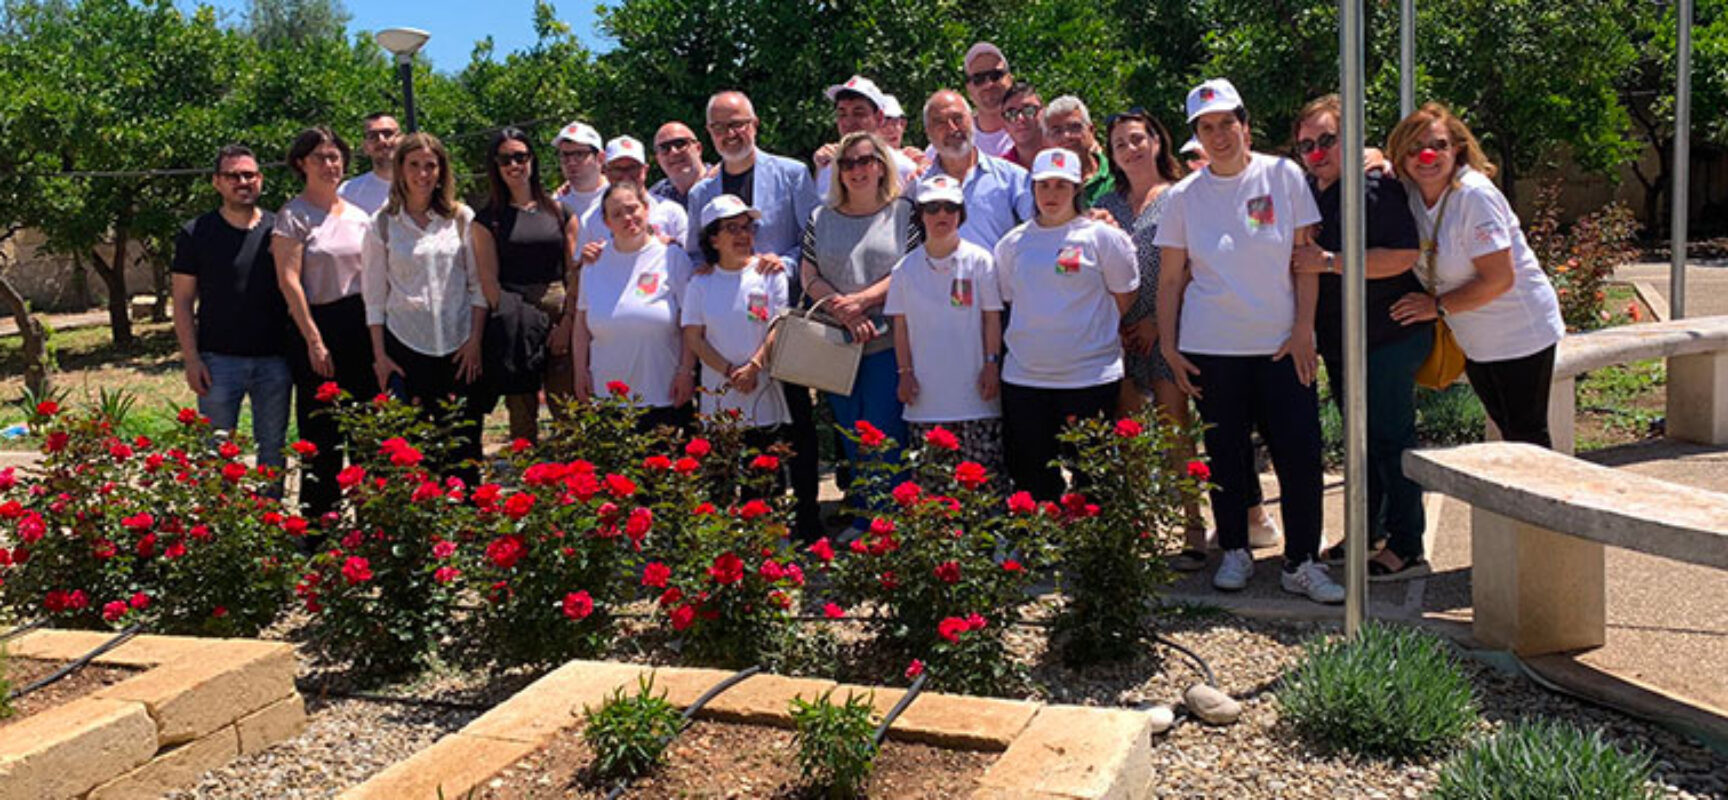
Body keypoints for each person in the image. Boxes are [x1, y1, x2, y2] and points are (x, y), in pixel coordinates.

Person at [1154, 78, 1343, 605]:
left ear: (1244, 124)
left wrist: (1304, 327)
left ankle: (1301, 561)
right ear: (1196, 135)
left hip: (1282, 345)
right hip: (1212, 347)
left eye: (1226, 124)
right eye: (1206, 127)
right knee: (1226, 456)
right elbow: (1171, 279)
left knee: (1300, 453)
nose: (1219, 136)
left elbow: (1305, 261)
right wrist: (1170, 347)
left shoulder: (1283, 176)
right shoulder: (1184, 198)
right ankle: (1234, 548)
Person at [1288, 95, 1432, 580]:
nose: (1317, 152)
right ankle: (1368, 530)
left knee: (1391, 440)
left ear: (1350, 137)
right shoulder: (1315, 189)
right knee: (1361, 442)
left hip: (1387, 336)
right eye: (1306, 145)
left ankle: (1408, 546)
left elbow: (1402, 254)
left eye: (1327, 140)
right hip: (1347, 342)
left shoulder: (1372, 186)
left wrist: (1328, 262)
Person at [686, 90, 823, 540]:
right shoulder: (703, 189)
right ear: (709, 134)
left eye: (738, 123)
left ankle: (806, 518)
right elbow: (694, 250)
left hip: (780, 315)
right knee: (739, 435)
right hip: (728, 318)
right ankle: (746, 522)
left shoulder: (790, 172)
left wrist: (779, 265)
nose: (731, 133)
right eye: (721, 127)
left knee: (796, 424)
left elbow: (809, 237)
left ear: (756, 123)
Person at [1387, 102, 1565, 448]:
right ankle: (1516, 500)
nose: (1427, 155)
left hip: (1519, 332)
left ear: (1457, 149)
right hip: (1475, 337)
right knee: (1509, 432)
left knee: (1527, 437)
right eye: (1414, 147)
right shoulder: (1411, 192)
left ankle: (1544, 502)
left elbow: (1499, 279)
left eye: (1438, 145)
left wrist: (1435, 306)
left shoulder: (1473, 195)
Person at [1092, 109, 1217, 569]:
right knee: (1127, 438)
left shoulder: (1181, 196)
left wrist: (1158, 326)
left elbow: (1187, 267)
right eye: (1121, 143)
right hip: (1120, 332)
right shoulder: (1107, 202)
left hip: (1170, 328)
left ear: (1157, 142)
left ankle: (1192, 527)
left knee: (1174, 432)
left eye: (1138, 139)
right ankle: (1137, 526)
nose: (1130, 149)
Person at [994, 148, 1138, 501]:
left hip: (1088, 377)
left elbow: (1124, 297)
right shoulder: (1012, 244)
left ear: (1077, 188)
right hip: (1026, 378)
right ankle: (1043, 551)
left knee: (1092, 476)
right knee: (1034, 475)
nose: (1052, 194)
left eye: (1062, 185)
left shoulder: (1103, 237)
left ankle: (1093, 554)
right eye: (1044, 185)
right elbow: (1011, 298)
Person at [361, 131, 487, 480]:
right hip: (405, 346)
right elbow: (373, 298)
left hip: (459, 346)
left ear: (442, 170)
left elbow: (477, 286)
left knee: (464, 446)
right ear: (400, 169)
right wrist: (380, 356)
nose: (422, 174)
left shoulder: (461, 218)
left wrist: (475, 341)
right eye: (414, 165)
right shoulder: (382, 224)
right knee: (414, 450)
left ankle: (468, 527)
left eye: (430, 165)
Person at [800, 131, 917, 502]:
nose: (856, 170)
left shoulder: (904, 213)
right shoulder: (821, 217)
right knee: (852, 433)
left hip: (887, 341)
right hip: (836, 343)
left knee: (887, 431)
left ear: (881, 166)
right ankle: (866, 518)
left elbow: (908, 269)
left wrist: (862, 301)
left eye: (865, 160)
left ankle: (893, 519)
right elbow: (808, 275)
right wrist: (844, 309)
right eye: (847, 164)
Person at [272, 126, 375, 525]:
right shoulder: (293, 216)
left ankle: (371, 529)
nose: (330, 165)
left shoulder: (359, 215)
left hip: (360, 327)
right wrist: (314, 340)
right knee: (323, 437)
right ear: (302, 164)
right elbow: (288, 279)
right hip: (317, 327)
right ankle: (322, 532)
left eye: (335, 157)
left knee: (366, 433)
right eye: (320, 158)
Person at [172, 144, 291, 477]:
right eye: (233, 175)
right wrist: (192, 359)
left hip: (275, 361)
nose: (243, 181)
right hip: (218, 362)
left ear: (260, 179)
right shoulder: (196, 233)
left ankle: (270, 521)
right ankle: (220, 528)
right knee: (215, 453)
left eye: (249, 175)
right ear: (217, 183)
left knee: (273, 449)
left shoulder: (279, 228)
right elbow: (182, 301)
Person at [886, 174, 1004, 479]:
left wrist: (992, 364)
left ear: (961, 213)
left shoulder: (981, 262)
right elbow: (901, 328)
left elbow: (992, 318)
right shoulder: (903, 270)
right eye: (933, 208)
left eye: (950, 208)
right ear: (920, 215)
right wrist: (904, 373)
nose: (942, 215)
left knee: (983, 488)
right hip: (926, 400)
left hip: (976, 397)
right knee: (933, 490)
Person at [470, 127, 580, 444]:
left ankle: (574, 486)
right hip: (515, 320)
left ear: (532, 160)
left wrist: (567, 321)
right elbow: (488, 281)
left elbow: (574, 272)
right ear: (495, 165)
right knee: (521, 416)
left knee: (568, 411)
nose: (514, 165)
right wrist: (515, 321)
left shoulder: (560, 211)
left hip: (560, 314)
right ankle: (529, 486)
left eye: (521, 156)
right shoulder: (486, 219)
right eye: (505, 159)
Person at [573, 181, 696, 433]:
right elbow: (581, 326)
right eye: (616, 214)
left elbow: (690, 324)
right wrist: (580, 371)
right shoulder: (594, 263)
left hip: (663, 390)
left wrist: (686, 371)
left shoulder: (672, 258)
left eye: (632, 209)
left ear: (647, 209)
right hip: (608, 392)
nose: (627, 218)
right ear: (606, 223)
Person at [682, 194, 791, 451]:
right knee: (723, 481)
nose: (743, 235)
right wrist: (731, 372)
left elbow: (779, 326)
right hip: (718, 400)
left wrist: (753, 367)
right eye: (732, 228)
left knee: (765, 482)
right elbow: (693, 338)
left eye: (747, 227)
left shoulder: (770, 275)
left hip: (764, 396)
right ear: (713, 238)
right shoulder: (700, 283)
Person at [923, 90, 1034, 251]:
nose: (952, 128)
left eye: (958, 118)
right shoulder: (919, 188)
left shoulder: (1012, 178)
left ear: (972, 120)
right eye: (939, 122)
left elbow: (1042, 228)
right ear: (928, 133)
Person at [811, 76, 920, 198]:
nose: (848, 122)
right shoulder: (828, 167)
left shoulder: (904, 168)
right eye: (842, 114)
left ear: (879, 118)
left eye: (858, 113)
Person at [576, 136, 689, 253]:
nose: (626, 176)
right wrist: (587, 258)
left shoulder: (672, 212)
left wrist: (674, 247)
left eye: (633, 168)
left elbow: (692, 259)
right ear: (605, 171)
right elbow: (579, 267)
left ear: (645, 170)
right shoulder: (590, 220)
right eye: (617, 169)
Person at [1044, 96, 1113, 203]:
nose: (1066, 136)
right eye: (1057, 131)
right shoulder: (1043, 184)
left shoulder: (1118, 174)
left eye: (1074, 127)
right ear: (1047, 140)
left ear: (1091, 130)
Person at [337, 112, 401, 214]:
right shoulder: (348, 192)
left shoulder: (425, 185)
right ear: (365, 147)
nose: (382, 141)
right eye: (373, 136)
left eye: (388, 133)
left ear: (403, 140)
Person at [961, 41, 1016, 158]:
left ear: (1010, 80)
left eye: (995, 75)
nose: (988, 84)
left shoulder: (1034, 129)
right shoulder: (955, 139)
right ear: (968, 89)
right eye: (978, 79)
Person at [552, 120, 608, 222]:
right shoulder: (556, 206)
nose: (571, 162)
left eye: (579, 154)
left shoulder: (619, 199)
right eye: (565, 155)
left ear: (600, 158)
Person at [649, 121, 713, 208]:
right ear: (658, 159)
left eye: (680, 143)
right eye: (664, 148)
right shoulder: (655, 198)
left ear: (698, 149)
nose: (673, 152)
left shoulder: (721, 182)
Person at [1001, 81, 1045, 171]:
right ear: (1004, 123)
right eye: (1011, 114)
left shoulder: (1062, 159)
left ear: (1044, 113)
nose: (1020, 118)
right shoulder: (1000, 171)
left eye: (1029, 110)